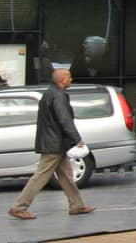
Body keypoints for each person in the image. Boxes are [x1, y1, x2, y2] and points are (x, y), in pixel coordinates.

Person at [7, 69, 94, 220]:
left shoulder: (50, 93)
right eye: (69, 77)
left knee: (66, 176)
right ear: (62, 79)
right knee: (41, 176)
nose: (71, 79)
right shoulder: (58, 96)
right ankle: (19, 207)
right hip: (54, 144)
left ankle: (76, 205)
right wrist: (77, 139)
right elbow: (64, 119)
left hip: (55, 143)